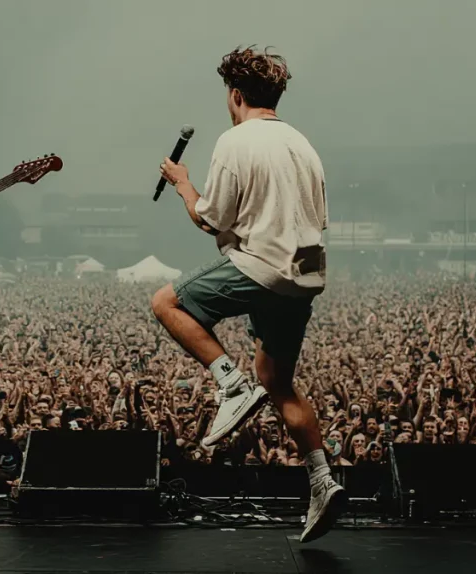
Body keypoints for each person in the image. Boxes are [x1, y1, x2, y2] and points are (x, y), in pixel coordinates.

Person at [152, 45, 343, 542]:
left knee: (165, 302)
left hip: (263, 266)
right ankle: (322, 480)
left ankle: (232, 387)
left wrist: (183, 184)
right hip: (304, 275)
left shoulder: (235, 141)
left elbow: (210, 219)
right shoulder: (303, 144)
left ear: (236, 95)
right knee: (278, 382)